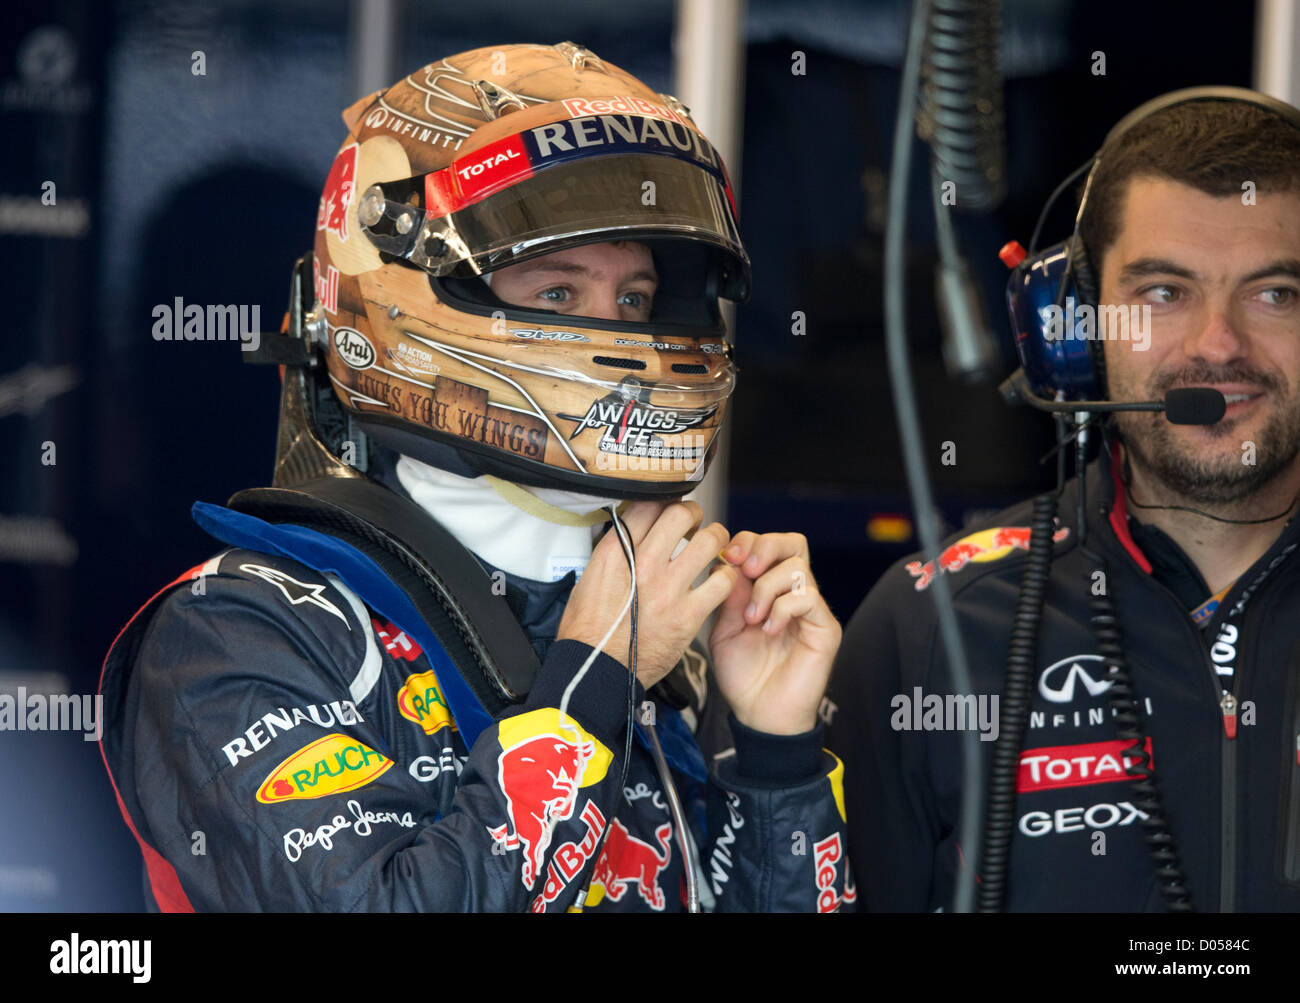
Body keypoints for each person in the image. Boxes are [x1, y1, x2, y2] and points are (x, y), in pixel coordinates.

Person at [97, 42, 853, 913]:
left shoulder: (670, 639)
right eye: (559, 295)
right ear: (400, 292)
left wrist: (776, 751)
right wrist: (590, 688)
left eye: (635, 300)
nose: (617, 337)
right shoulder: (238, 632)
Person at [827, 88, 1300, 911]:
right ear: (1073, 325)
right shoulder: (928, 627)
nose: (1219, 344)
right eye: (1163, 292)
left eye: (1276, 295)